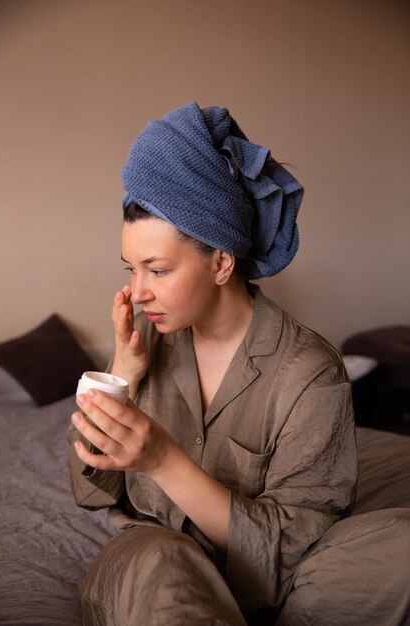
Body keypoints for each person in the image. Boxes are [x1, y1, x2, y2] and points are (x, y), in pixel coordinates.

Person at [68, 102, 357, 626]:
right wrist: (122, 373)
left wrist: (163, 461)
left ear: (222, 262)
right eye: (131, 270)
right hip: (155, 550)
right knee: (164, 565)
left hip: (274, 577)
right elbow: (89, 490)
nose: (137, 293)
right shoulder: (148, 342)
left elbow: (296, 544)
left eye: (156, 270)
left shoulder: (310, 371)